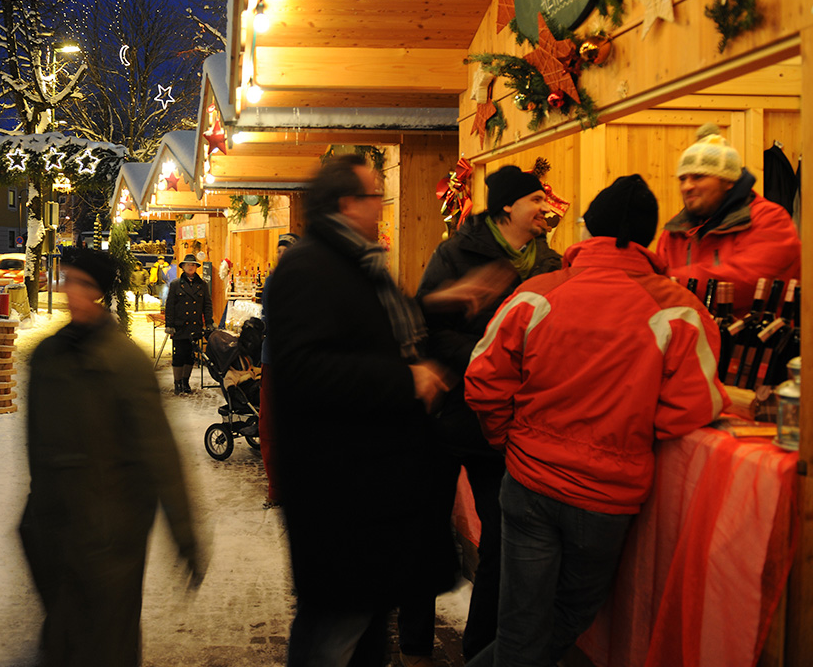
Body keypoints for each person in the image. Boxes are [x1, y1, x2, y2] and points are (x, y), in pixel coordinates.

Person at [464, 175, 728, 667]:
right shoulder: (679, 309)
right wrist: (636, 423)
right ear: (649, 237)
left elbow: (482, 379)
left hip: (528, 482)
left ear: (589, 229)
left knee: (521, 625)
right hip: (606, 496)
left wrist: (506, 438)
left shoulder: (536, 294)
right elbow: (693, 408)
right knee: (569, 618)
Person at [267, 154, 454, 667]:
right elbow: (305, 371)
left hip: (367, 491)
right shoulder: (310, 268)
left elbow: (372, 333)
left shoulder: (356, 264)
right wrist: (405, 378)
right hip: (338, 492)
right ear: (348, 204)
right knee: (332, 630)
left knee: (364, 629)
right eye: (376, 196)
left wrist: (446, 304)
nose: (382, 205)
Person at [19, 247, 203, 667]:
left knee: (110, 642)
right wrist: (34, 518)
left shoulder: (126, 361)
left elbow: (160, 450)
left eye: (83, 284)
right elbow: (35, 444)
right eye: (68, 280)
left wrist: (185, 534)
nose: (71, 292)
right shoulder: (48, 356)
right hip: (57, 527)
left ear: (100, 292)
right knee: (62, 636)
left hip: (112, 533)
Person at [412, 164, 562, 662]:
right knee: (425, 529)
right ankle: (414, 644)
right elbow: (426, 325)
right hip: (445, 416)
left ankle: (479, 651)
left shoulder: (554, 265)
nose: (547, 208)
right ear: (507, 207)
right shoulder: (455, 253)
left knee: (501, 543)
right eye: (537, 200)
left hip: (504, 427)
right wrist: (493, 353)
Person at [656, 123, 800, 315]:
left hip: (752, 343)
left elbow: (745, 281)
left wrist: (666, 281)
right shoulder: (674, 231)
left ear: (729, 181)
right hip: (691, 341)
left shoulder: (770, 220)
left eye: (698, 177)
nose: (687, 186)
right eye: (683, 178)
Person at [258, 232, 299, 508]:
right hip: (275, 362)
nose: (282, 256)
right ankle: (276, 487)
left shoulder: (310, 283)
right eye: (279, 252)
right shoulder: (273, 282)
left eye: (288, 252)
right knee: (270, 426)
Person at [164, 253, 214, 395]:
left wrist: (209, 322)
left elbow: (207, 305)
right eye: (188, 265)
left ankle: (185, 382)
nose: (190, 267)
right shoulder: (175, 284)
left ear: (196, 267)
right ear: (183, 267)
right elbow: (170, 306)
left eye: (193, 265)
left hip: (194, 326)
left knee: (190, 356)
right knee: (178, 355)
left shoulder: (202, 285)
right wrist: (170, 324)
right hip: (179, 326)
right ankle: (177, 382)